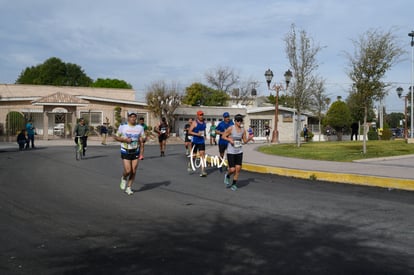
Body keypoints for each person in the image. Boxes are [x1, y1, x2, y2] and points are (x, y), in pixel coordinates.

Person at [114, 112, 145, 195]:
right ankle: (124, 178)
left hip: (135, 150)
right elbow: (116, 137)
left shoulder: (140, 127)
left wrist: (142, 140)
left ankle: (129, 187)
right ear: (128, 118)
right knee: (128, 170)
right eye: (131, 117)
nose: (133, 118)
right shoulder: (123, 126)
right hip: (125, 150)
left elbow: (143, 138)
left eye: (135, 117)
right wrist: (125, 140)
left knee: (133, 171)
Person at [221, 114, 253, 191]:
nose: (239, 122)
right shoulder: (231, 128)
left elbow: (244, 141)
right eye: (238, 120)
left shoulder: (243, 130)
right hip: (231, 151)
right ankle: (227, 175)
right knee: (232, 169)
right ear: (235, 121)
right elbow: (223, 136)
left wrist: (249, 139)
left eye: (240, 120)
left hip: (239, 151)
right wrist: (230, 140)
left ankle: (234, 184)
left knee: (238, 169)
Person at [188, 110, 207, 177]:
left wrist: (205, 135)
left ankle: (203, 171)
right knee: (194, 156)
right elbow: (189, 132)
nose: (201, 116)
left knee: (202, 155)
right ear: (197, 116)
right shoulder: (194, 123)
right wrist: (197, 134)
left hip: (201, 141)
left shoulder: (204, 123)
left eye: (202, 115)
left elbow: (203, 131)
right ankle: (190, 163)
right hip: (195, 141)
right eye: (200, 115)